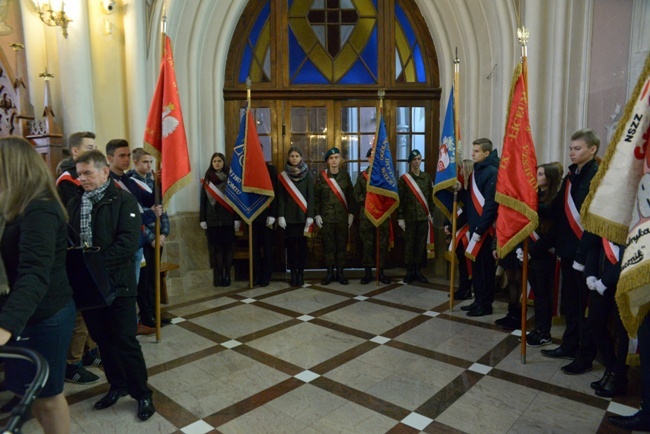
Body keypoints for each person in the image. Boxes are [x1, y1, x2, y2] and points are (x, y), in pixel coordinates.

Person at [68, 150, 155, 421]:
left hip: (118, 285)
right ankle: (117, 385)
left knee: (125, 340)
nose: (82, 179)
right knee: (104, 341)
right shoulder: (75, 203)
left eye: (87, 173)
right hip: (89, 288)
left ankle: (142, 394)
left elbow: (127, 245)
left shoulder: (123, 200)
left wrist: (91, 264)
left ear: (104, 171)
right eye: (79, 174)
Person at [0, 136, 76, 434]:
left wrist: (6, 326)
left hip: (45, 317)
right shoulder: (13, 207)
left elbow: (34, 273)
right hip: (23, 314)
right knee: (28, 391)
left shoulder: (40, 209)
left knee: (48, 396)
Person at [540, 129, 600, 375]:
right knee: (571, 304)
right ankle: (568, 345)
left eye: (577, 148)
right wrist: (529, 202)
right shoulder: (571, 175)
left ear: (592, 149)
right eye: (571, 148)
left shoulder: (596, 176)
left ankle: (585, 356)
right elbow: (556, 210)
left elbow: (592, 221)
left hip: (585, 252)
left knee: (584, 306)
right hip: (567, 249)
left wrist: (581, 255)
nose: (572, 152)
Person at [55, 131, 103, 385]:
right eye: (89, 147)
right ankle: (72, 363)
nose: (94, 149)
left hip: (89, 254)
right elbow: (72, 222)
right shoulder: (67, 183)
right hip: (76, 255)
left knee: (91, 307)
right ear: (75, 152)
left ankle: (90, 352)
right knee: (80, 312)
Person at [106, 139, 161, 335]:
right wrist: (149, 215)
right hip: (124, 243)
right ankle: (124, 327)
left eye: (128, 155)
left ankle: (131, 324)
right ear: (109, 158)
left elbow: (147, 200)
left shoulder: (127, 180)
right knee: (125, 288)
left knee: (133, 287)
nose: (127, 159)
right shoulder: (109, 182)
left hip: (136, 243)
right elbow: (127, 216)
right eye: (122, 155)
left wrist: (159, 183)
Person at [127, 148, 171, 328]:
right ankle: (146, 315)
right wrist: (151, 238)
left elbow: (163, 209)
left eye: (150, 162)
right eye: (145, 162)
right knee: (144, 281)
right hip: (145, 240)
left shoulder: (154, 183)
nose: (149, 165)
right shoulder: (130, 184)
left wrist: (163, 233)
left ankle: (155, 312)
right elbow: (136, 217)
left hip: (157, 238)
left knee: (154, 278)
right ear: (135, 162)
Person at [583, 233, 628, 398]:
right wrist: (590, 274)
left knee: (624, 332)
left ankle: (619, 377)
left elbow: (630, 254)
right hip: (600, 279)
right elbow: (595, 244)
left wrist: (606, 280)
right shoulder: (606, 215)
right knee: (595, 324)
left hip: (623, 281)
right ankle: (611, 368)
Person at [459, 138, 499, 317]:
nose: (472, 153)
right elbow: (470, 200)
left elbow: (490, 205)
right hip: (475, 228)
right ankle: (478, 300)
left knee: (485, 269)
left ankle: (486, 304)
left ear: (486, 153)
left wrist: (480, 230)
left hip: (485, 230)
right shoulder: (476, 170)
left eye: (476, 151)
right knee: (476, 267)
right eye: (472, 150)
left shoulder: (491, 172)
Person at [525, 162, 563, 346]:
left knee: (543, 294)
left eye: (540, 174)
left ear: (550, 177)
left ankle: (544, 332)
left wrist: (532, 251)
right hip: (532, 251)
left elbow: (554, 233)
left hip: (544, 253)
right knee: (537, 294)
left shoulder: (556, 200)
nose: (537, 177)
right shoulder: (535, 196)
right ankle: (538, 328)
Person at [315, 147, 356, 285]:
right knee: (328, 246)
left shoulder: (345, 176)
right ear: (327, 161)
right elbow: (316, 198)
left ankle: (340, 273)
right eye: (331, 158)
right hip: (327, 218)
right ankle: (329, 272)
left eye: (336, 157)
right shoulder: (322, 177)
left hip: (342, 219)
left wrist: (351, 214)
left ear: (340, 160)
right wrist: (317, 215)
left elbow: (351, 197)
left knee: (341, 247)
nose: (334, 160)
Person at [200, 152, 241, 287]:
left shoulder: (231, 179)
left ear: (224, 163)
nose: (217, 163)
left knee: (228, 248)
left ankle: (227, 274)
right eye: (215, 161)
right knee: (216, 249)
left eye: (219, 161)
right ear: (212, 163)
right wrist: (202, 219)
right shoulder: (207, 179)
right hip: (212, 220)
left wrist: (236, 218)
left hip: (228, 219)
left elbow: (236, 199)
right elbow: (203, 201)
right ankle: (218, 275)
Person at [277, 146, 314, 286]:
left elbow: (311, 196)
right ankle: (293, 274)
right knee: (291, 249)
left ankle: (301, 274)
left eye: (296, 156)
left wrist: (311, 215)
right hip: (289, 218)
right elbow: (280, 197)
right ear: (288, 158)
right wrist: (280, 215)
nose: (294, 158)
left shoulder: (307, 175)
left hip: (304, 218)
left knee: (302, 248)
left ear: (301, 158)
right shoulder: (283, 176)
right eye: (292, 156)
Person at [398, 149, 435, 284]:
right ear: (410, 162)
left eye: (419, 159)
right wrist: (400, 217)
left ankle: (418, 270)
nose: (417, 162)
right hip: (409, 218)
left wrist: (432, 213)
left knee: (420, 245)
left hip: (423, 218)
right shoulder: (404, 179)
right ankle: (409, 271)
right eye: (414, 160)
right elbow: (400, 200)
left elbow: (431, 198)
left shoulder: (426, 178)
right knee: (409, 245)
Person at [355, 148, 391, 284]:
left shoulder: (385, 176)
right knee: (367, 244)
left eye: (375, 156)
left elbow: (390, 195)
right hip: (366, 216)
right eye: (370, 156)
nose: (373, 158)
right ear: (368, 159)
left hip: (381, 214)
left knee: (381, 244)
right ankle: (368, 272)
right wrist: (369, 200)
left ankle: (380, 272)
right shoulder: (362, 176)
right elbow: (356, 194)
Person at [445, 159, 474, 300]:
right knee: (462, 263)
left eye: (461, 170)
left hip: (467, 230)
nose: (460, 172)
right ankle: (463, 288)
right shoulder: (464, 190)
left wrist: (452, 227)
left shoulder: (471, 190)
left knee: (466, 263)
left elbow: (467, 210)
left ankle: (466, 289)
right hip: (459, 229)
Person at [252, 157, 278, 287]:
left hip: (267, 216)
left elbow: (275, 193)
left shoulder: (271, 170)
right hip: (252, 216)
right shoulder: (247, 171)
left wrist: (273, 214)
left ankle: (267, 275)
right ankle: (257, 274)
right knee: (254, 249)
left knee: (267, 248)